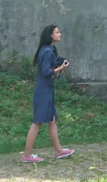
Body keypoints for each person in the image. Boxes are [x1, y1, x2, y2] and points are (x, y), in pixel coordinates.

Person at [22, 24, 73, 162]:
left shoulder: (47, 50)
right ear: (50, 35)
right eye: (57, 32)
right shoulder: (48, 51)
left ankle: (59, 151)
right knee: (37, 122)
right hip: (43, 91)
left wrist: (57, 66)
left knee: (52, 121)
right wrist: (60, 68)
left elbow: (48, 69)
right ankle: (27, 156)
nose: (60, 34)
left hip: (46, 90)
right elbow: (46, 72)